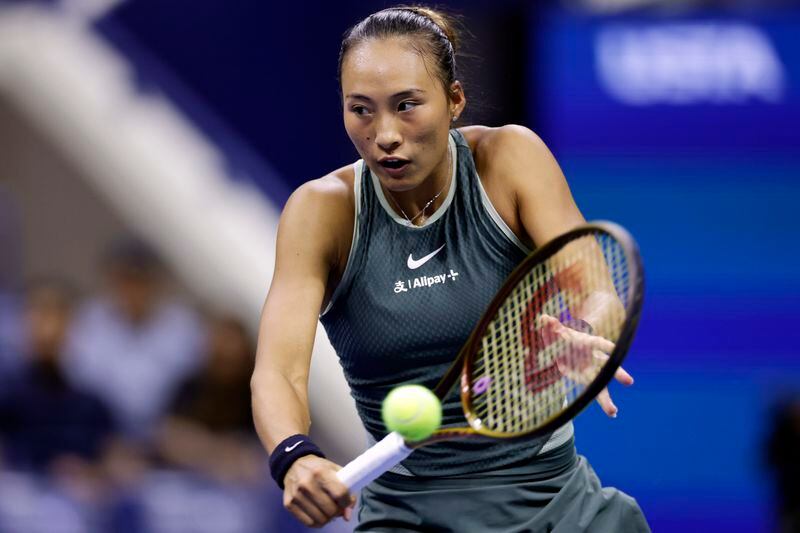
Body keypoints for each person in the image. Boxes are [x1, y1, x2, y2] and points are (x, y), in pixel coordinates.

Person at [251, 6, 650, 531]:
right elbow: (278, 371)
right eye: (361, 110)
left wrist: (584, 331)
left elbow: (598, 288)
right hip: (407, 514)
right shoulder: (321, 212)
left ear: (455, 100)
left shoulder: (510, 159)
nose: (385, 133)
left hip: (555, 500)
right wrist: (293, 455)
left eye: (407, 105)